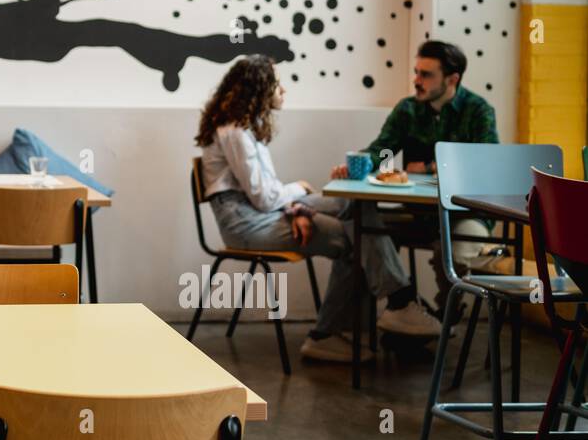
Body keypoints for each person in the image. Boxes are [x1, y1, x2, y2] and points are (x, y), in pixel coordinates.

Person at [196, 55, 440, 364]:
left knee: (353, 204)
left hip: (263, 214)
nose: (283, 90)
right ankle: (359, 321)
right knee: (357, 237)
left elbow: (267, 197)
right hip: (247, 225)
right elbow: (265, 199)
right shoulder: (234, 132)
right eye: (277, 83)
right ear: (258, 88)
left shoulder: (246, 129)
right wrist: (300, 190)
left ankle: (390, 309)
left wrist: (297, 209)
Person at [329, 40, 499, 305]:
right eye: (416, 72)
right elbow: (383, 151)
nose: (416, 80)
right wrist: (359, 164)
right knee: (362, 236)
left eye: (426, 74)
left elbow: (486, 162)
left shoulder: (478, 111)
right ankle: (397, 312)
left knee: (452, 256)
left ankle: (444, 318)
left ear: (452, 79)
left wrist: (431, 166)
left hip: (464, 214)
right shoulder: (407, 109)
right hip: (418, 213)